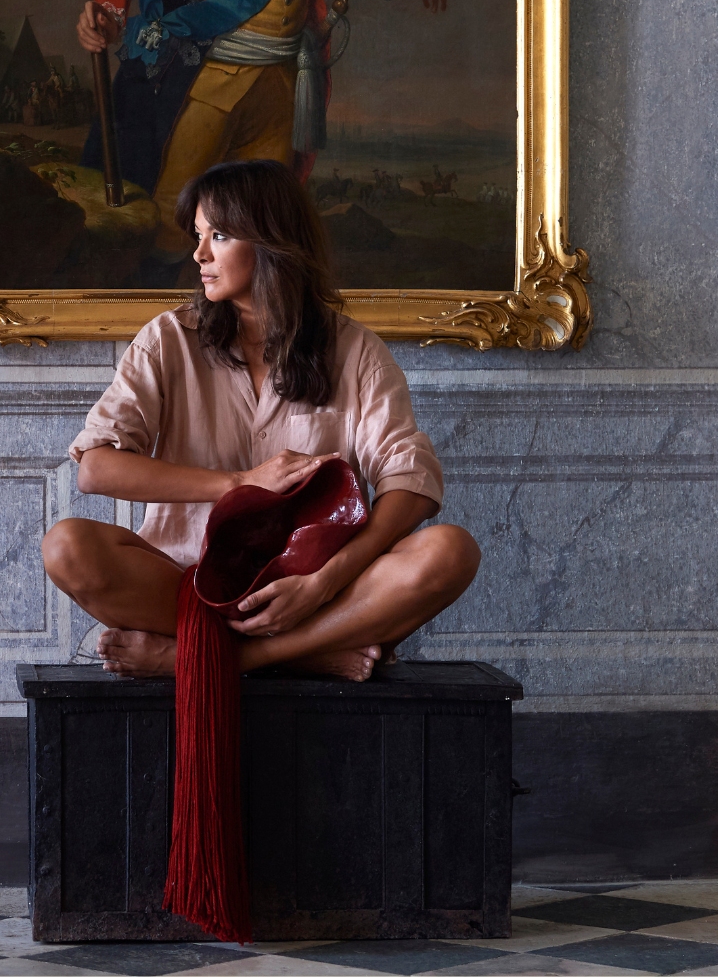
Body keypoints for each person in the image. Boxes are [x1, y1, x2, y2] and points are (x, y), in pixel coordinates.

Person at [42, 159, 479, 680]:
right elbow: (96, 469)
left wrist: (324, 581)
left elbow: (413, 484)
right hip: (186, 588)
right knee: (67, 546)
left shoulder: (356, 351)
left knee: (451, 551)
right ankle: (310, 655)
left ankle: (208, 659)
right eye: (198, 235)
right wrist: (240, 483)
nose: (199, 254)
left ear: (271, 242)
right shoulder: (167, 339)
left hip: (315, 594)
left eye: (219, 235)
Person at [76, 0, 466, 266]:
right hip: (205, 75)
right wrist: (110, 6)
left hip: (279, 82)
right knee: (171, 222)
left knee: (257, 227)